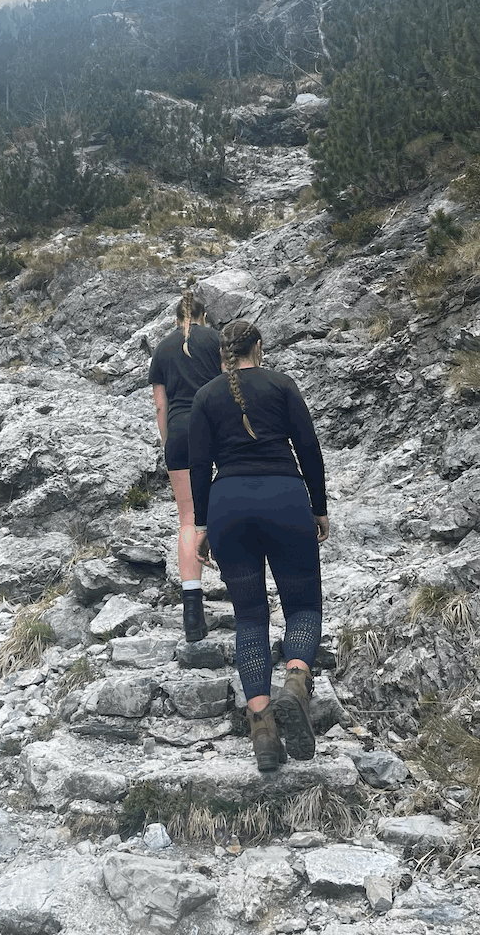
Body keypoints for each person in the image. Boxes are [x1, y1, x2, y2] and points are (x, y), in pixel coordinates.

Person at [188, 318, 328, 772]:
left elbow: (197, 466)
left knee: (250, 618)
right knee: (302, 606)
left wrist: (205, 525)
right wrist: (318, 507)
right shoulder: (282, 385)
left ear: (224, 354)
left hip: (229, 506)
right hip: (285, 500)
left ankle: (263, 728)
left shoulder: (206, 397)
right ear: (259, 348)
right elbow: (308, 449)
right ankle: (296, 681)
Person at [149, 289, 223, 642]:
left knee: (189, 519)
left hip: (179, 432)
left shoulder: (162, 348)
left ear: (177, 319)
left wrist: (168, 443)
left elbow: (160, 407)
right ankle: (241, 592)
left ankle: (193, 613)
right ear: (203, 317)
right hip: (217, 429)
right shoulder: (216, 340)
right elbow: (230, 384)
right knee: (229, 507)